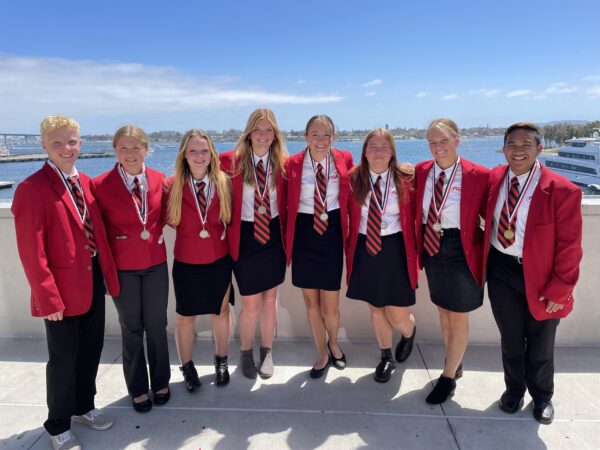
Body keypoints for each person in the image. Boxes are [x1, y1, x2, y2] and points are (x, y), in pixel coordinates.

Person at [12, 115, 119, 450]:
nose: (65, 148)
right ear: (43, 145)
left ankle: (84, 406)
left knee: (91, 350)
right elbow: (32, 250)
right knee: (63, 359)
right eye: (57, 142)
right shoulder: (32, 188)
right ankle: (58, 423)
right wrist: (48, 298)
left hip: (92, 283)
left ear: (80, 143)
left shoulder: (86, 182)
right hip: (60, 292)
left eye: (71, 141)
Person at [483, 122, 583, 424]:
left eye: (526, 144)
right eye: (512, 145)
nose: (518, 151)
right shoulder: (494, 178)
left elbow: (570, 246)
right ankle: (514, 391)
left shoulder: (562, 190)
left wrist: (560, 289)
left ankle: (542, 397)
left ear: (539, 149)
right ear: (503, 150)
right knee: (511, 339)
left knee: (541, 341)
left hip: (541, 275)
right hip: (500, 269)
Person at [93, 126, 170, 412]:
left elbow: (164, 216)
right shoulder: (100, 185)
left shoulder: (160, 180)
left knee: (157, 326)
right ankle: (138, 388)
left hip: (155, 265)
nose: (130, 153)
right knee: (131, 328)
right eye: (123, 148)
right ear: (114, 149)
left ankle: (161, 381)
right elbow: (98, 229)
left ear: (146, 149)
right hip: (123, 267)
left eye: (136, 147)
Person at [415, 119, 489, 403]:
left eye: (443, 140)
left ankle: (447, 379)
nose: (437, 147)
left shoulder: (478, 174)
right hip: (433, 247)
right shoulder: (421, 171)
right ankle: (454, 363)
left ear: (457, 140)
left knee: (458, 315)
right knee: (444, 311)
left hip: (463, 249)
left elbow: (494, 210)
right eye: (432, 142)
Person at [219, 109, 287, 379]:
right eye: (258, 130)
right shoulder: (229, 162)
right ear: (249, 133)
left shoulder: (283, 163)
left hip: (273, 236)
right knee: (250, 303)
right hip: (246, 237)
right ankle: (246, 352)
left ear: (275, 135)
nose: (262, 135)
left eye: (268, 130)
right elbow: (193, 172)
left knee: (270, 300)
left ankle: (267, 351)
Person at [346, 128, 418, 383]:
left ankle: (409, 333)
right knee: (376, 308)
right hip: (366, 249)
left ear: (392, 153)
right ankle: (386, 356)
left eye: (384, 147)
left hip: (396, 249)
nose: (378, 152)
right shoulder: (353, 179)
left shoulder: (408, 178)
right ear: (364, 152)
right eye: (373, 147)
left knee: (398, 315)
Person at [285, 114, 353, 378]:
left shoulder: (344, 158)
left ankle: (334, 344)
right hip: (304, 234)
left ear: (333, 137)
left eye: (326, 134)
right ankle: (321, 353)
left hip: (332, 233)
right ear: (305, 137)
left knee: (331, 304)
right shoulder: (292, 164)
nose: (321, 140)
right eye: (315, 134)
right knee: (311, 303)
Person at [167, 129, 234, 390]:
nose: (198, 156)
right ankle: (187, 367)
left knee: (221, 312)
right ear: (184, 154)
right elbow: (166, 219)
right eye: (192, 150)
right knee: (185, 317)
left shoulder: (224, 183)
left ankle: (221, 361)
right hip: (186, 261)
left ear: (212, 154)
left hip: (219, 259)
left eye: (204, 150)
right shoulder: (171, 186)